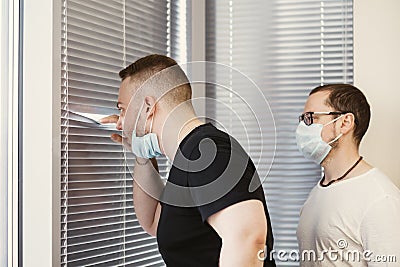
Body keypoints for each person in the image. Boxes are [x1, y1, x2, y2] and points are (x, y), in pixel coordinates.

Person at [100, 54, 276, 266]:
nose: (119, 123)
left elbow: (248, 239)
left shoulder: (209, 152)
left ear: (148, 107)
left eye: (123, 110)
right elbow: (154, 223)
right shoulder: (187, 157)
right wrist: (141, 153)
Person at [296, 84, 400, 266]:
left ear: (345, 123)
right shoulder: (318, 192)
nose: (303, 127)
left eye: (311, 118)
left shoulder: (380, 199)